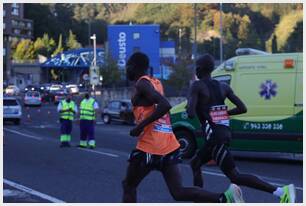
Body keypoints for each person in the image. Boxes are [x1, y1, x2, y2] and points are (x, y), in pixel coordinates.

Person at [121, 52, 244, 203]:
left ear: (134, 67)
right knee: (178, 192)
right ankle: (225, 198)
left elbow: (165, 105)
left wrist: (140, 127)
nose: (126, 70)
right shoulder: (156, 82)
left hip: (150, 146)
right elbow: (151, 107)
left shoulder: (142, 83)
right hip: (169, 145)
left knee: (128, 185)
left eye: (127, 67)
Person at [187, 54, 296, 203]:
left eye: (196, 68)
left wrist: (191, 103)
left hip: (215, 138)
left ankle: (281, 192)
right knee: (195, 163)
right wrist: (224, 113)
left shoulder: (197, 86)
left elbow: (191, 114)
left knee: (235, 176)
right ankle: (198, 200)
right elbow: (242, 108)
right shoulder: (223, 86)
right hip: (223, 133)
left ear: (199, 69)